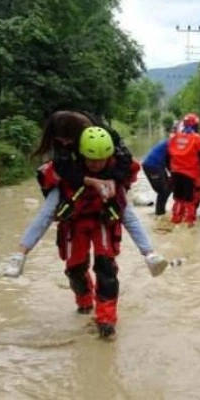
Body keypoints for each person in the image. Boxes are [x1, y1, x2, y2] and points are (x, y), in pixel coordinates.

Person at [3, 111, 168, 278]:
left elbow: (125, 160)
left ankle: (149, 254)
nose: (65, 143)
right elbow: (62, 168)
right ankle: (20, 254)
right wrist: (90, 181)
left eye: (68, 139)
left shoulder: (107, 134)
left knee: (126, 212)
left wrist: (113, 179)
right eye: (61, 140)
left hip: (109, 176)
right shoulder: (63, 147)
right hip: (74, 179)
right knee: (47, 211)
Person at [38, 126, 126, 337]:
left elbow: (126, 205)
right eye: (91, 160)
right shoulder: (66, 169)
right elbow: (44, 180)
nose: (96, 164)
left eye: (101, 160)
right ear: (81, 155)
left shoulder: (117, 170)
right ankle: (84, 301)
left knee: (106, 268)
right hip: (75, 224)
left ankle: (106, 318)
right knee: (74, 268)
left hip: (102, 222)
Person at [166, 113, 200, 226]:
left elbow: (168, 156)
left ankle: (176, 221)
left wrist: (171, 170)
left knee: (178, 199)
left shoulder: (174, 138)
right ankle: (189, 226)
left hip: (176, 173)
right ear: (196, 125)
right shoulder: (198, 139)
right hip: (191, 175)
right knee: (191, 200)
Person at [141, 125, 174, 216]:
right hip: (153, 166)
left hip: (158, 166)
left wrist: (173, 173)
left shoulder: (168, 142)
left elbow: (169, 161)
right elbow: (171, 161)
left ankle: (161, 211)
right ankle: (159, 213)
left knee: (169, 185)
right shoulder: (171, 143)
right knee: (162, 191)